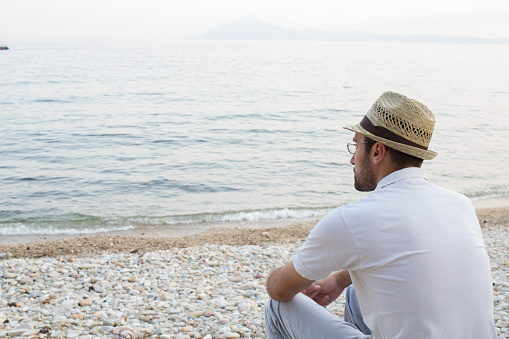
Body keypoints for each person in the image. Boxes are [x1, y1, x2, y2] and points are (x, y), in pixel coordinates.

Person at [264, 91, 497, 338]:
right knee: (358, 288)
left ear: (377, 152)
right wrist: (341, 279)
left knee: (277, 307)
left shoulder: (353, 220)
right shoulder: (460, 204)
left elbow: (280, 289)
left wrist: (277, 279)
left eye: (356, 145)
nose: (352, 159)